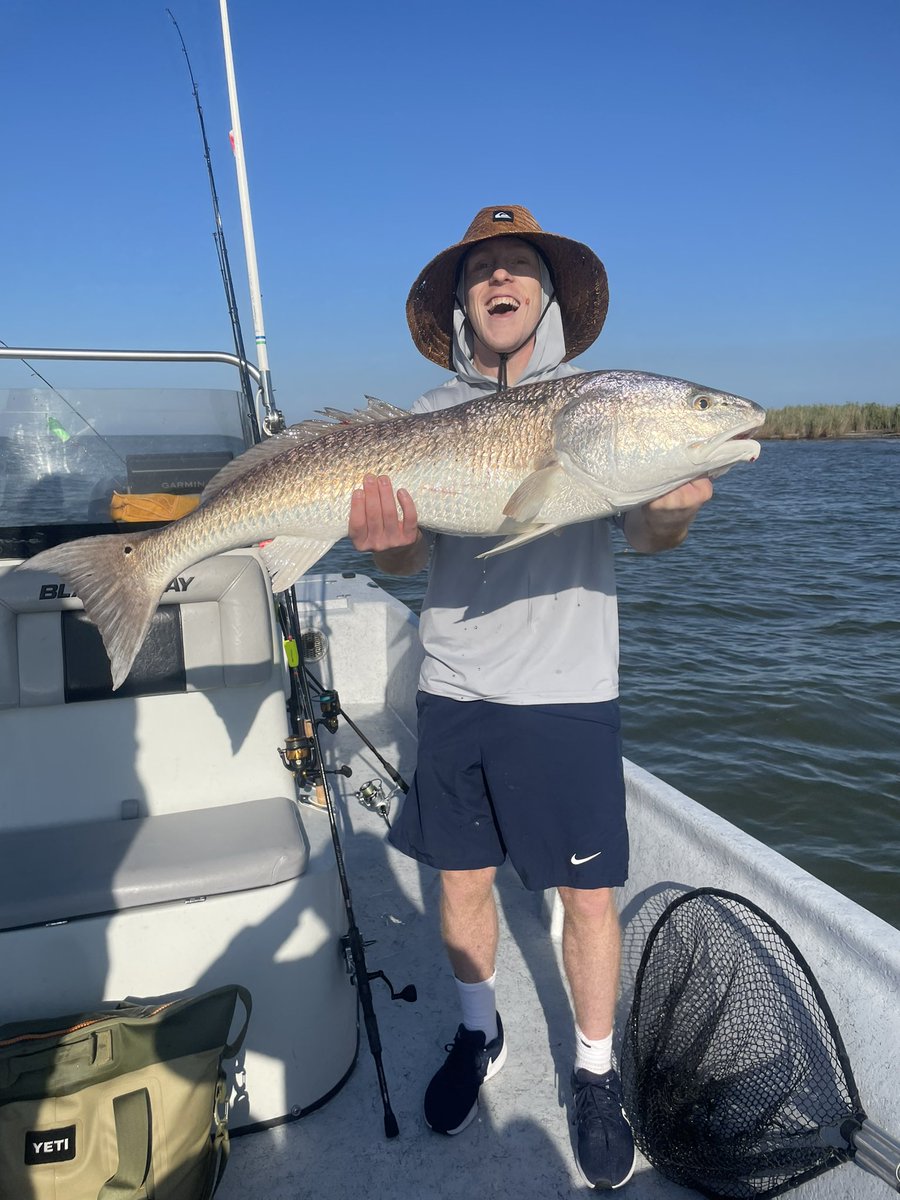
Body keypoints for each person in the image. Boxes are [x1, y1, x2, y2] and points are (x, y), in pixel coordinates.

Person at [348, 205, 712, 1190]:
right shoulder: (422, 419)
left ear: (547, 295)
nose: (500, 281)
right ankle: (480, 1034)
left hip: (567, 693)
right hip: (456, 683)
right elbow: (415, 550)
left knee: (588, 899)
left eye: (519, 266)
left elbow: (646, 538)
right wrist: (394, 547)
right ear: (462, 302)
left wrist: (672, 511)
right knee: (460, 882)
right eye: (481, 271)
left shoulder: (599, 409)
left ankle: (594, 1075)